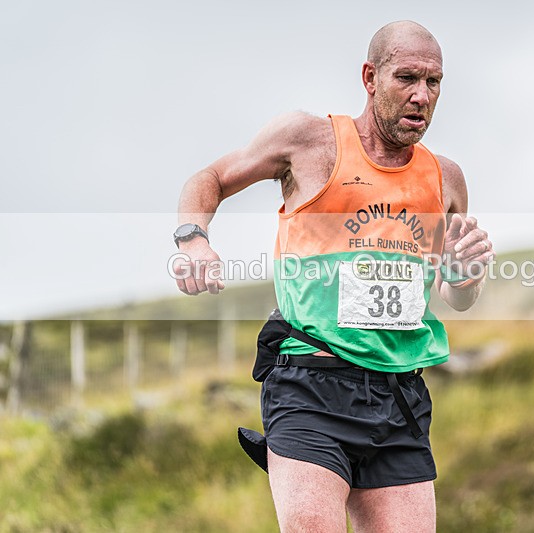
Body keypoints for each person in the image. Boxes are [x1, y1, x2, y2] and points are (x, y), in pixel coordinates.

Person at [173, 20, 494, 532]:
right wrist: (194, 239)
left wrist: (465, 274)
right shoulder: (308, 142)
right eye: (406, 78)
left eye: (433, 82)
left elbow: (455, 296)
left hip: (399, 398)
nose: (421, 95)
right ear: (370, 77)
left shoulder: (446, 178)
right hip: (310, 386)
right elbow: (210, 178)